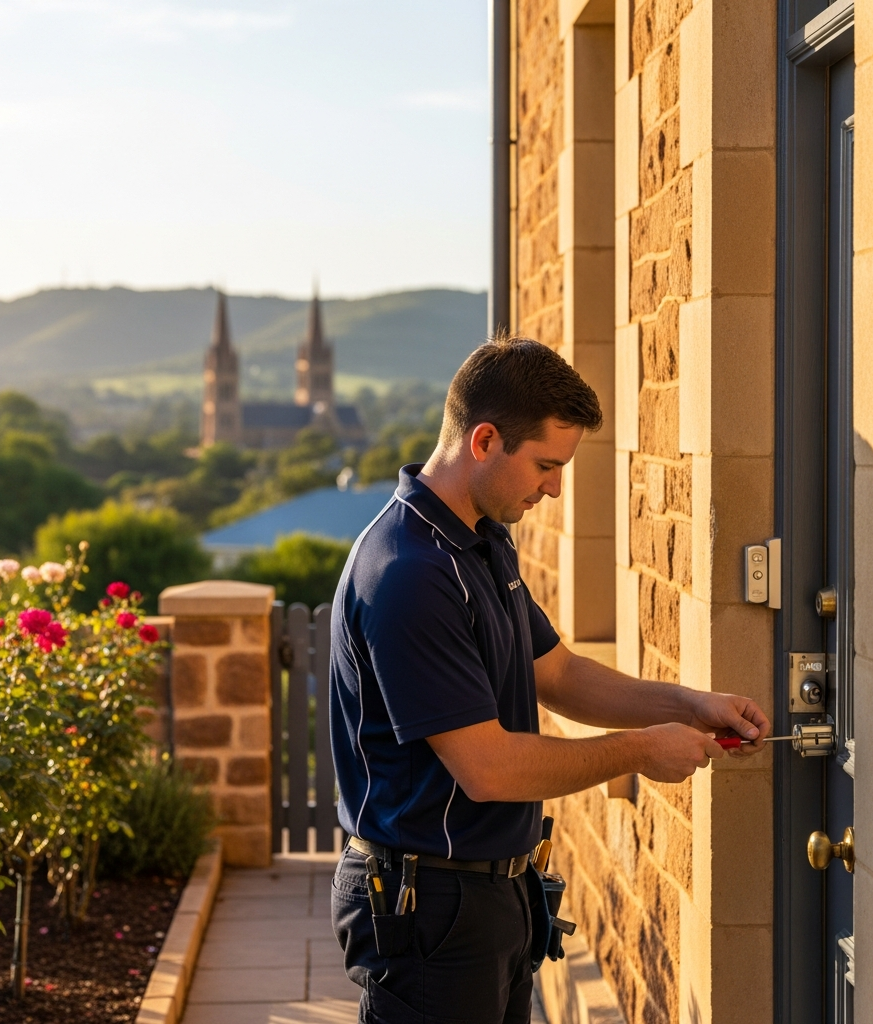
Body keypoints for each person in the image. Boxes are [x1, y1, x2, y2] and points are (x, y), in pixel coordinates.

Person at [329, 335, 771, 1024]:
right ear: (483, 440)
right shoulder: (410, 574)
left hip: (491, 898)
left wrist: (690, 705)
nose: (556, 487)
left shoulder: (479, 539)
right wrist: (639, 751)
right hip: (428, 910)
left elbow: (559, 674)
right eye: (545, 465)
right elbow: (488, 769)